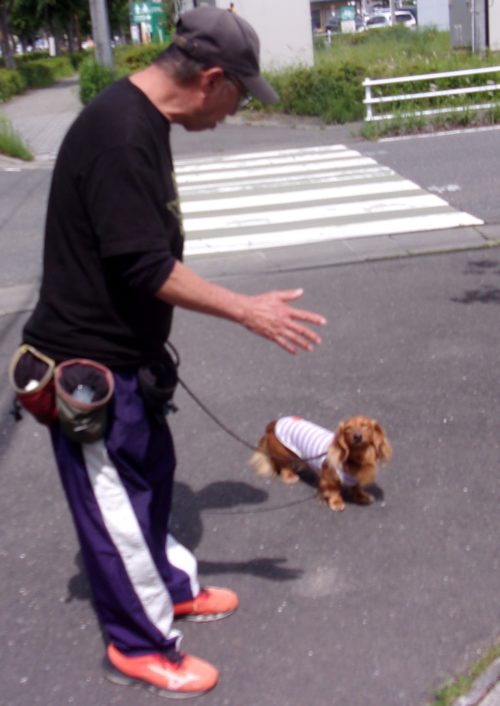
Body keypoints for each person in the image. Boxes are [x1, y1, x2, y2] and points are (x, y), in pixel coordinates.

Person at [20, 5, 326, 700]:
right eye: (238, 96)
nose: (234, 112)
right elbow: (143, 265)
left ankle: (170, 588)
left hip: (131, 358)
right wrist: (247, 309)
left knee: (153, 482)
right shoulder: (120, 134)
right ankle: (138, 646)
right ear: (210, 79)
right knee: (118, 514)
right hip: (86, 369)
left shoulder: (145, 120)